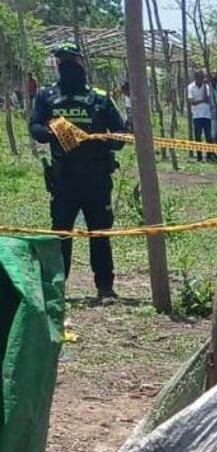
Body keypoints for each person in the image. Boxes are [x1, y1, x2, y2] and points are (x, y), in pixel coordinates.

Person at [29, 42, 125, 300]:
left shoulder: (100, 98)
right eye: (62, 61)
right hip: (65, 178)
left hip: (97, 177)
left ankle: (105, 287)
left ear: (81, 63)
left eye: (71, 60)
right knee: (61, 233)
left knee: (99, 233)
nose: (66, 65)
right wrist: (54, 133)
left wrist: (100, 139)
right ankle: (56, 289)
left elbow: (121, 135)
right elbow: (35, 127)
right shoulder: (47, 96)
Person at [188, 69, 215, 161]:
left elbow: (207, 99)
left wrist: (204, 87)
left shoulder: (206, 87)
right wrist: (202, 101)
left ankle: (209, 155)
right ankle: (199, 156)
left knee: (208, 136)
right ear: (195, 77)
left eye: (202, 77)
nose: (201, 78)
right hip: (197, 115)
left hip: (207, 115)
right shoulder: (191, 87)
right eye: (199, 76)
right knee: (198, 136)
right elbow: (192, 101)